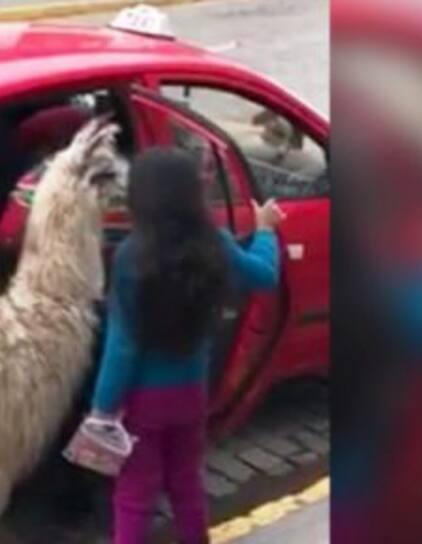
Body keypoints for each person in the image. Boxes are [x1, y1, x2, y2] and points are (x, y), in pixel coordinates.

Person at [91, 147, 285, 544]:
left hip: (142, 401)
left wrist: (102, 410)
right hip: (192, 391)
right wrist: (265, 231)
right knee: (186, 482)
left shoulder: (131, 256)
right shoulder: (215, 243)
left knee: (135, 491)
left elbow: (122, 346)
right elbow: (264, 276)